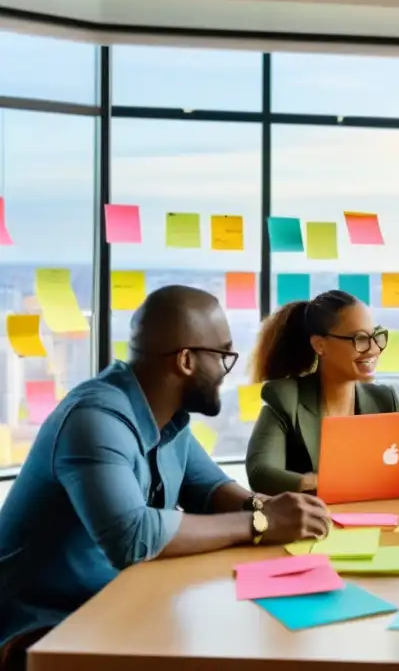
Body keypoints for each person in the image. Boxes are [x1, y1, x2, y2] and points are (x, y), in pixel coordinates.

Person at [0, 286, 331, 671]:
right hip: (45, 628)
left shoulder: (168, 418)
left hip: (117, 601)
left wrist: (266, 507)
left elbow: (208, 487)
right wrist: (260, 524)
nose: (228, 370)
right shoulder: (95, 419)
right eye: (223, 355)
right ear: (186, 360)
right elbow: (132, 536)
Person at [245, 290, 399, 496]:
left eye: (376, 336)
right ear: (320, 345)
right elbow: (260, 473)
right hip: (317, 521)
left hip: (377, 518)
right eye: (360, 338)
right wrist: (322, 482)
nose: (373, 349)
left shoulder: (384, 400)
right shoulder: (287, 399)